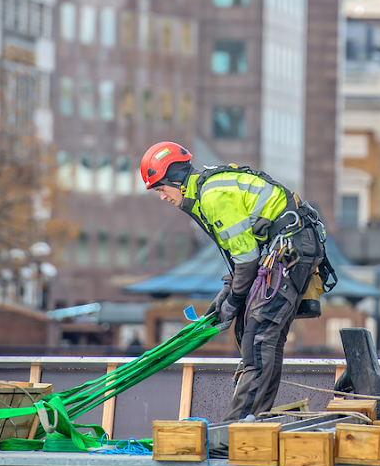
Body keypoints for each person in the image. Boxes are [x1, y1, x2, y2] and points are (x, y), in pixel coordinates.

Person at [142, 142, 332, 420]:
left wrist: (232, 302)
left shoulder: (213, 196)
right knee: (254, 335)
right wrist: (226, 298)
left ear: (175, 180)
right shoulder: (208, 189)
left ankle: (238, 428)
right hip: (287, 247)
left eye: (161, 189)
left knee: (259, 337)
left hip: (290, 249)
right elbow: (244, 256)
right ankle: (251, 420)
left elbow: (247, 261)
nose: (162, 197)